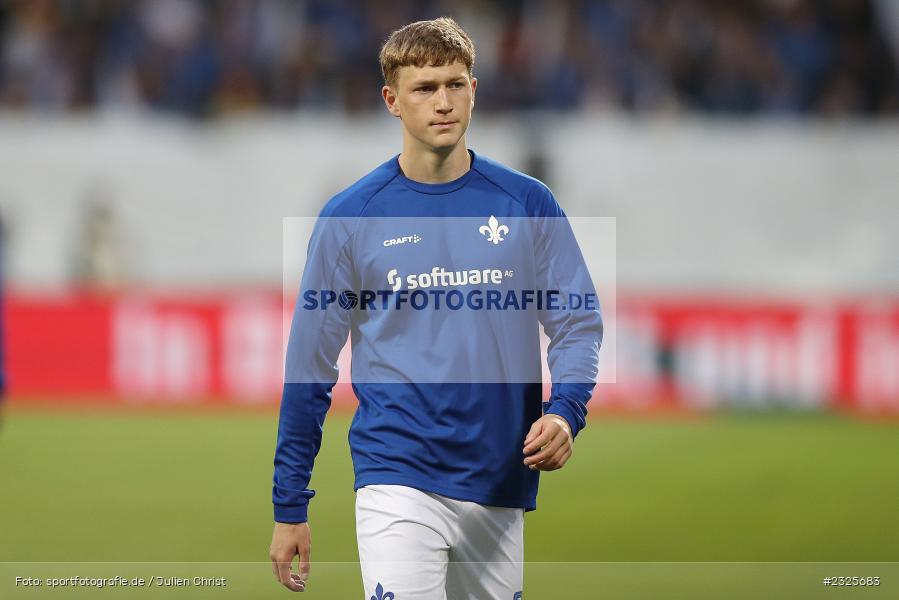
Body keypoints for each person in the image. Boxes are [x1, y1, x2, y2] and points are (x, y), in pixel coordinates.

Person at [269, 17, 602, 599]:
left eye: (454, 84)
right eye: (424, 88)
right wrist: (289, 503)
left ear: (474, 89)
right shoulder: (351, 217)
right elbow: (309, 366)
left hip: (499, 478)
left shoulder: (527, 203)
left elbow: (576, 320)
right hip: (396, 475)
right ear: (392, 100)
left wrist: (565, 411)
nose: (443, 102)